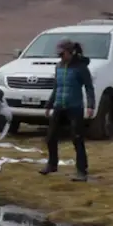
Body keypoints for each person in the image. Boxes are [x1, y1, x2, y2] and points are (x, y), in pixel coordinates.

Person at [40, 39, 95, 181]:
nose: (60, 57)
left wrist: (90, 105)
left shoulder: (81, 68)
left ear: (70, 53)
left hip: (75, 107)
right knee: (50, 137)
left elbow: (89, 87)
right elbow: (56, 87)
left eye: (62, 54)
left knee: (77, 139)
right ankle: (52, 164)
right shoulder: (58, 66)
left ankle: (82, 171)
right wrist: (49, 105)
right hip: (59, 105)